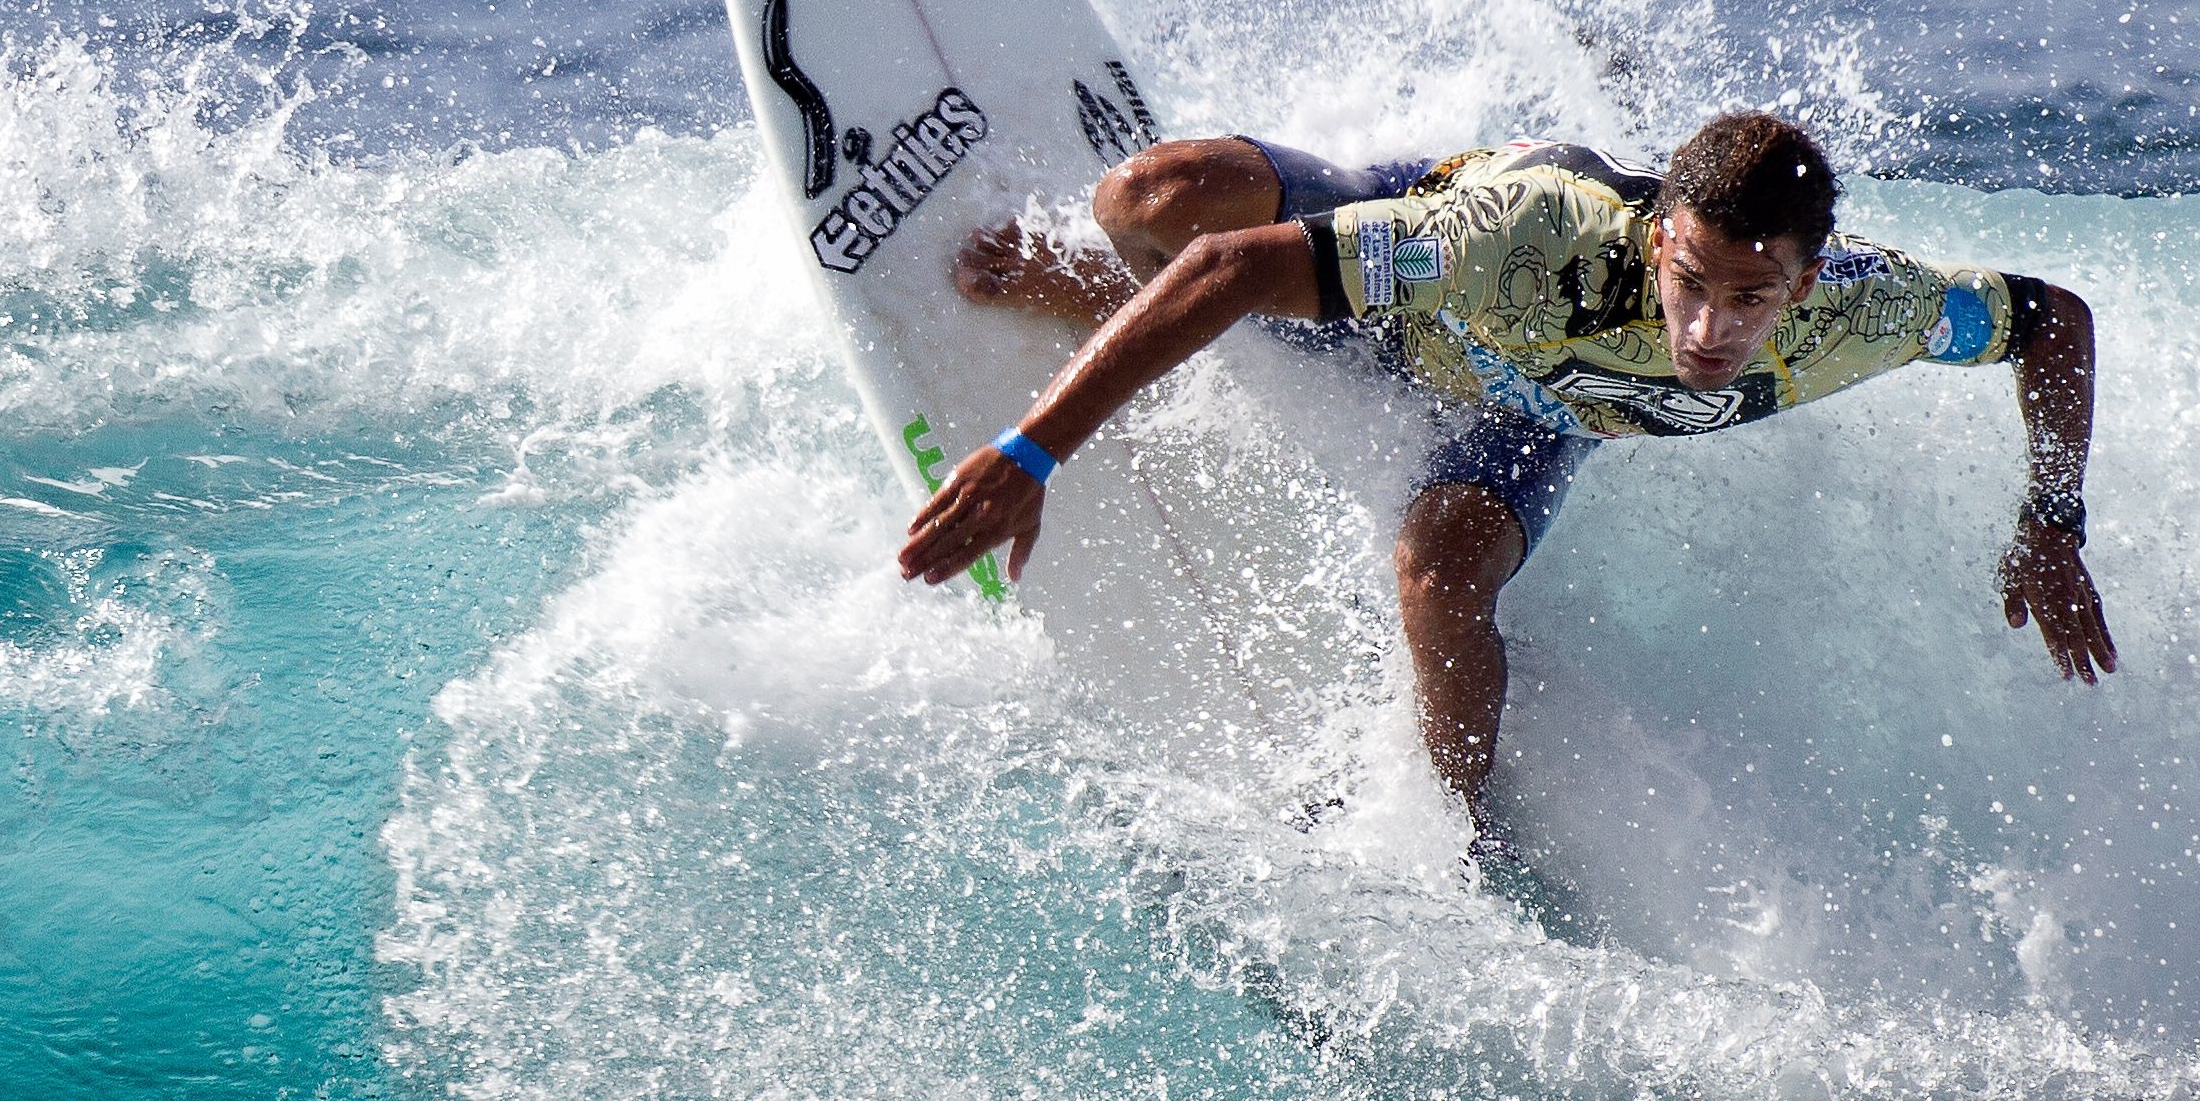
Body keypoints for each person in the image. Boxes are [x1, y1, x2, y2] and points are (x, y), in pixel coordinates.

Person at [896, 111, 2114, 825]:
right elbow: (1232, 269)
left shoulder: (1870, 309)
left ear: (1805, 280)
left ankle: (1454, 831)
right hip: (1424, 300)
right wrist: (1030, 450)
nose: (1707, 332)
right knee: (1154, 197)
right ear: (1655, 240)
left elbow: (2053, 321)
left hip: (1531, 409)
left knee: (1439, 570)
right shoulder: (1524, 242)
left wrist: (2050, 520)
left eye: (1751, 300)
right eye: (1690, 283)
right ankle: (1105, 296)